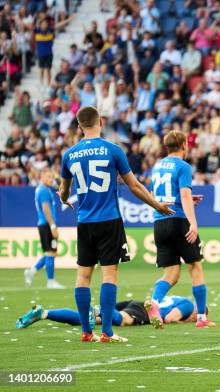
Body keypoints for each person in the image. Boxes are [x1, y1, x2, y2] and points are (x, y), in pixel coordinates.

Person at [58, 106, 174, 343]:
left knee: (83, 276)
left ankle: (86, 332)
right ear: (100, 121)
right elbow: (134, 185)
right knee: (109, 275)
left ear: (79, 127)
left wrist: (64, 199)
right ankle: (107, 332)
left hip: (84, 222)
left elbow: (63, 190)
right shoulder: (113, 150)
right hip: (109, 220)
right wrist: (157, 206)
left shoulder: (69, 155)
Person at [146, 131, 215, 329]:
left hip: (160, 222)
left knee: (171, 274)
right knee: (195, 268)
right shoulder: (183, 166)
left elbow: (153, 195)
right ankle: (201, 318)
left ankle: (155, 302)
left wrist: (181, 201)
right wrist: (193, 222)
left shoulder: (157, 166)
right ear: (184, 144)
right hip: (179, 221)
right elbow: (184, 195)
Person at [15, 296, 198, 329]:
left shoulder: (177, 297)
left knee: (87, 320)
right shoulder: (189, 305)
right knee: (124, 321)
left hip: (135, 302)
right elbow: (168, 318)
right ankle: (98, 310)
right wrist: (184, 321)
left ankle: (44, 314)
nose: (196, 317)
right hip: (142, 309)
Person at [24, 169, 65, 289]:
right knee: (50, 252)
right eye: (48, 177)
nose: (51, 179)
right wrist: (52, 226)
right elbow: (46, 209)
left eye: (51, 177)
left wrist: (56, 176)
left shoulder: (43, 189)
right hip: (47, 225)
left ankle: (32, 271)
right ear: (41, 177)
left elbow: (61, 184)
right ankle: (50, 282)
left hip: (44, 225)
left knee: (51, 253)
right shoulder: (43, 191)